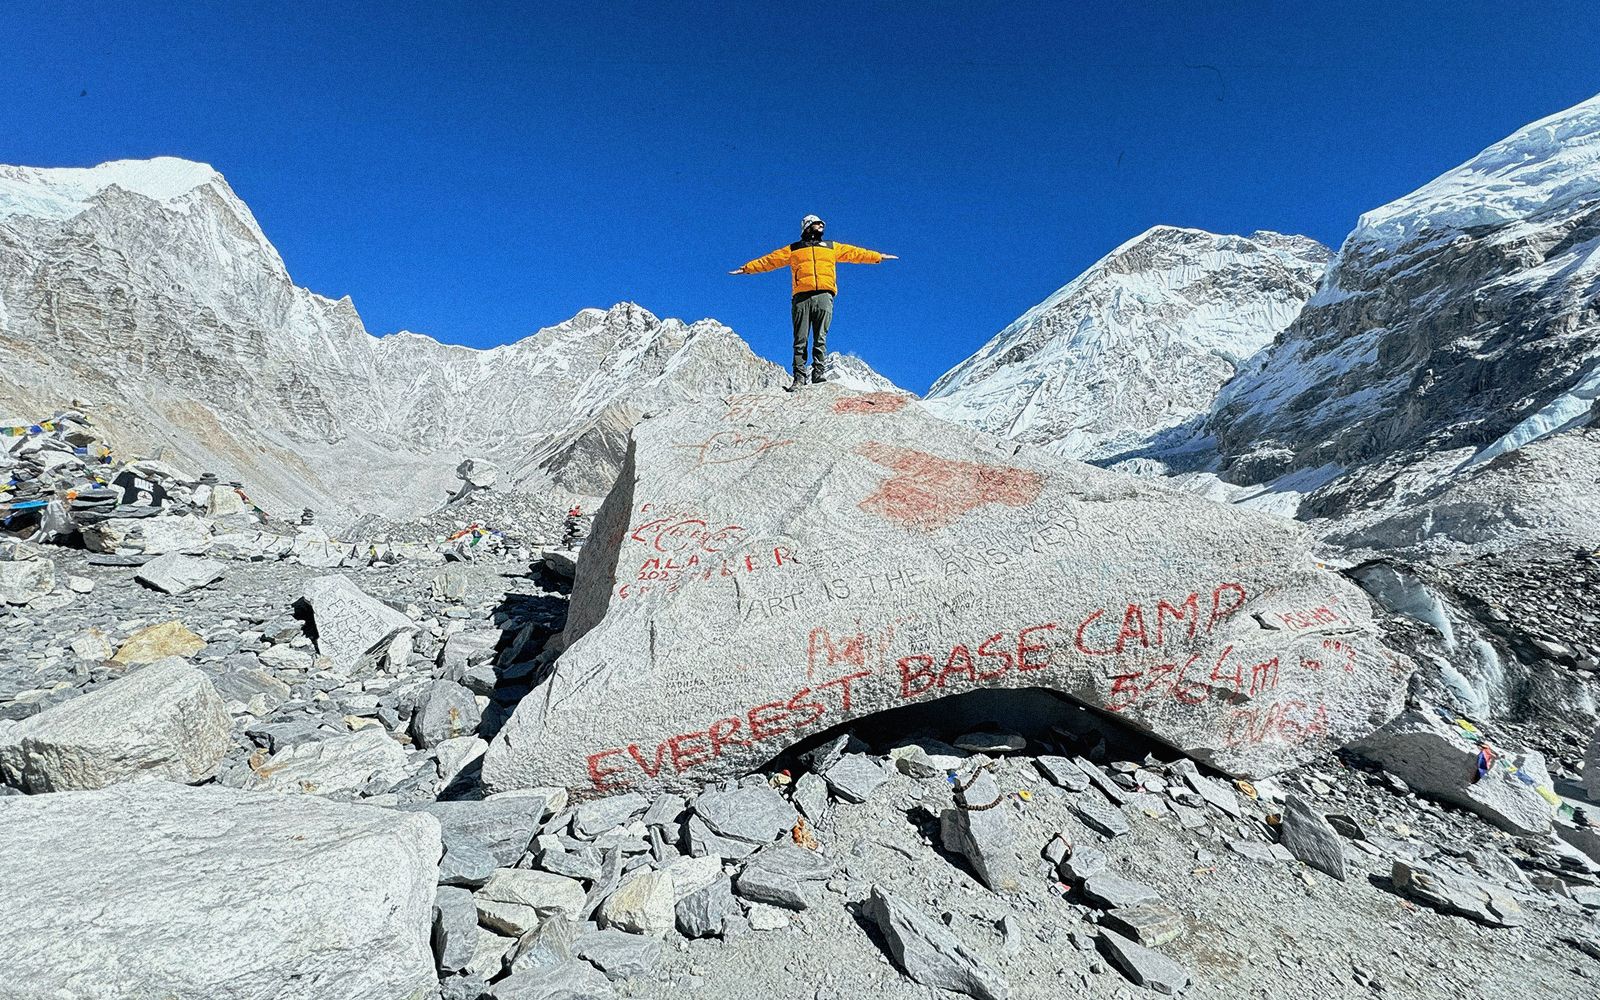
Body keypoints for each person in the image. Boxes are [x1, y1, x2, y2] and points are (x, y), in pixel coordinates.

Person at [730, 215, 897, 389]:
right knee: (800, 339)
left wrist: (877, 256)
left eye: (821, 224)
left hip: (824, 296)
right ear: (807, 227)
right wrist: (747, 268)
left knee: (820, 338)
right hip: (801, 297)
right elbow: (770, 260)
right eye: (817, 224)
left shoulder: (831, 247)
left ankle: (818, 373)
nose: (821, 226)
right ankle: (799, 378)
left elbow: (855, 253)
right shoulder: (794, 249)